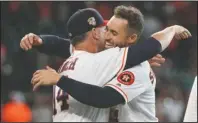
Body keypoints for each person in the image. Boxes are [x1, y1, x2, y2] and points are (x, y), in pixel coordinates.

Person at [23, 6, 191, 122]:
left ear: (131, 38)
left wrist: (41, 42)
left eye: (113, 32)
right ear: (94, 34)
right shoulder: (101, 59)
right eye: (106, 30)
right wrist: (171, 30)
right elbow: (149, 47)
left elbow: (64, 46)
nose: (108, 37)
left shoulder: (74, 60)